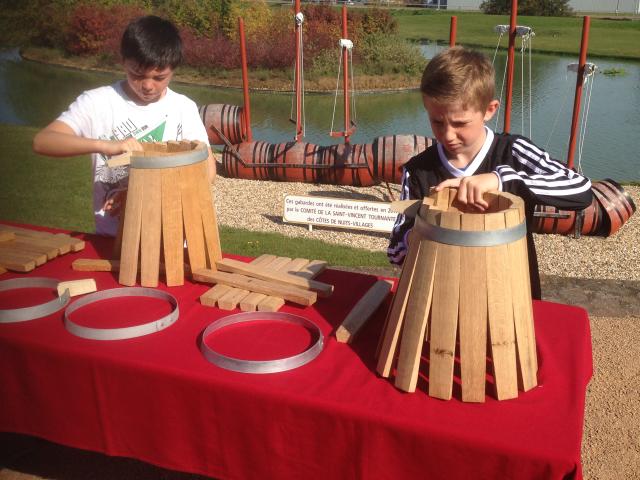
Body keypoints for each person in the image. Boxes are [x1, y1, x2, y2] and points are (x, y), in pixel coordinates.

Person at [387, 47, 593, 299]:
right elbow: (395, 251)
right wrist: (426, 229)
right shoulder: (418, 170)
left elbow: (581, 190)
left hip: (511, 297)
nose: (448, 135)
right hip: (444, 300)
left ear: (489, 110)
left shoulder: (514, 151)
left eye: (460, 123)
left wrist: (502, 180)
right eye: (437, 122)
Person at [33, 15, 216, 237]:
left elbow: (206, 167)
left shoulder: (183, 108)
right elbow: (43, 141)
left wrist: (141, 195)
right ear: (123, 61)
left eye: (159, 77)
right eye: (137, 74)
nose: (148, 85)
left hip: (172, 239)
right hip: (113, 239)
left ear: (174, 69)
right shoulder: (96, 102)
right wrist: (105, 146)